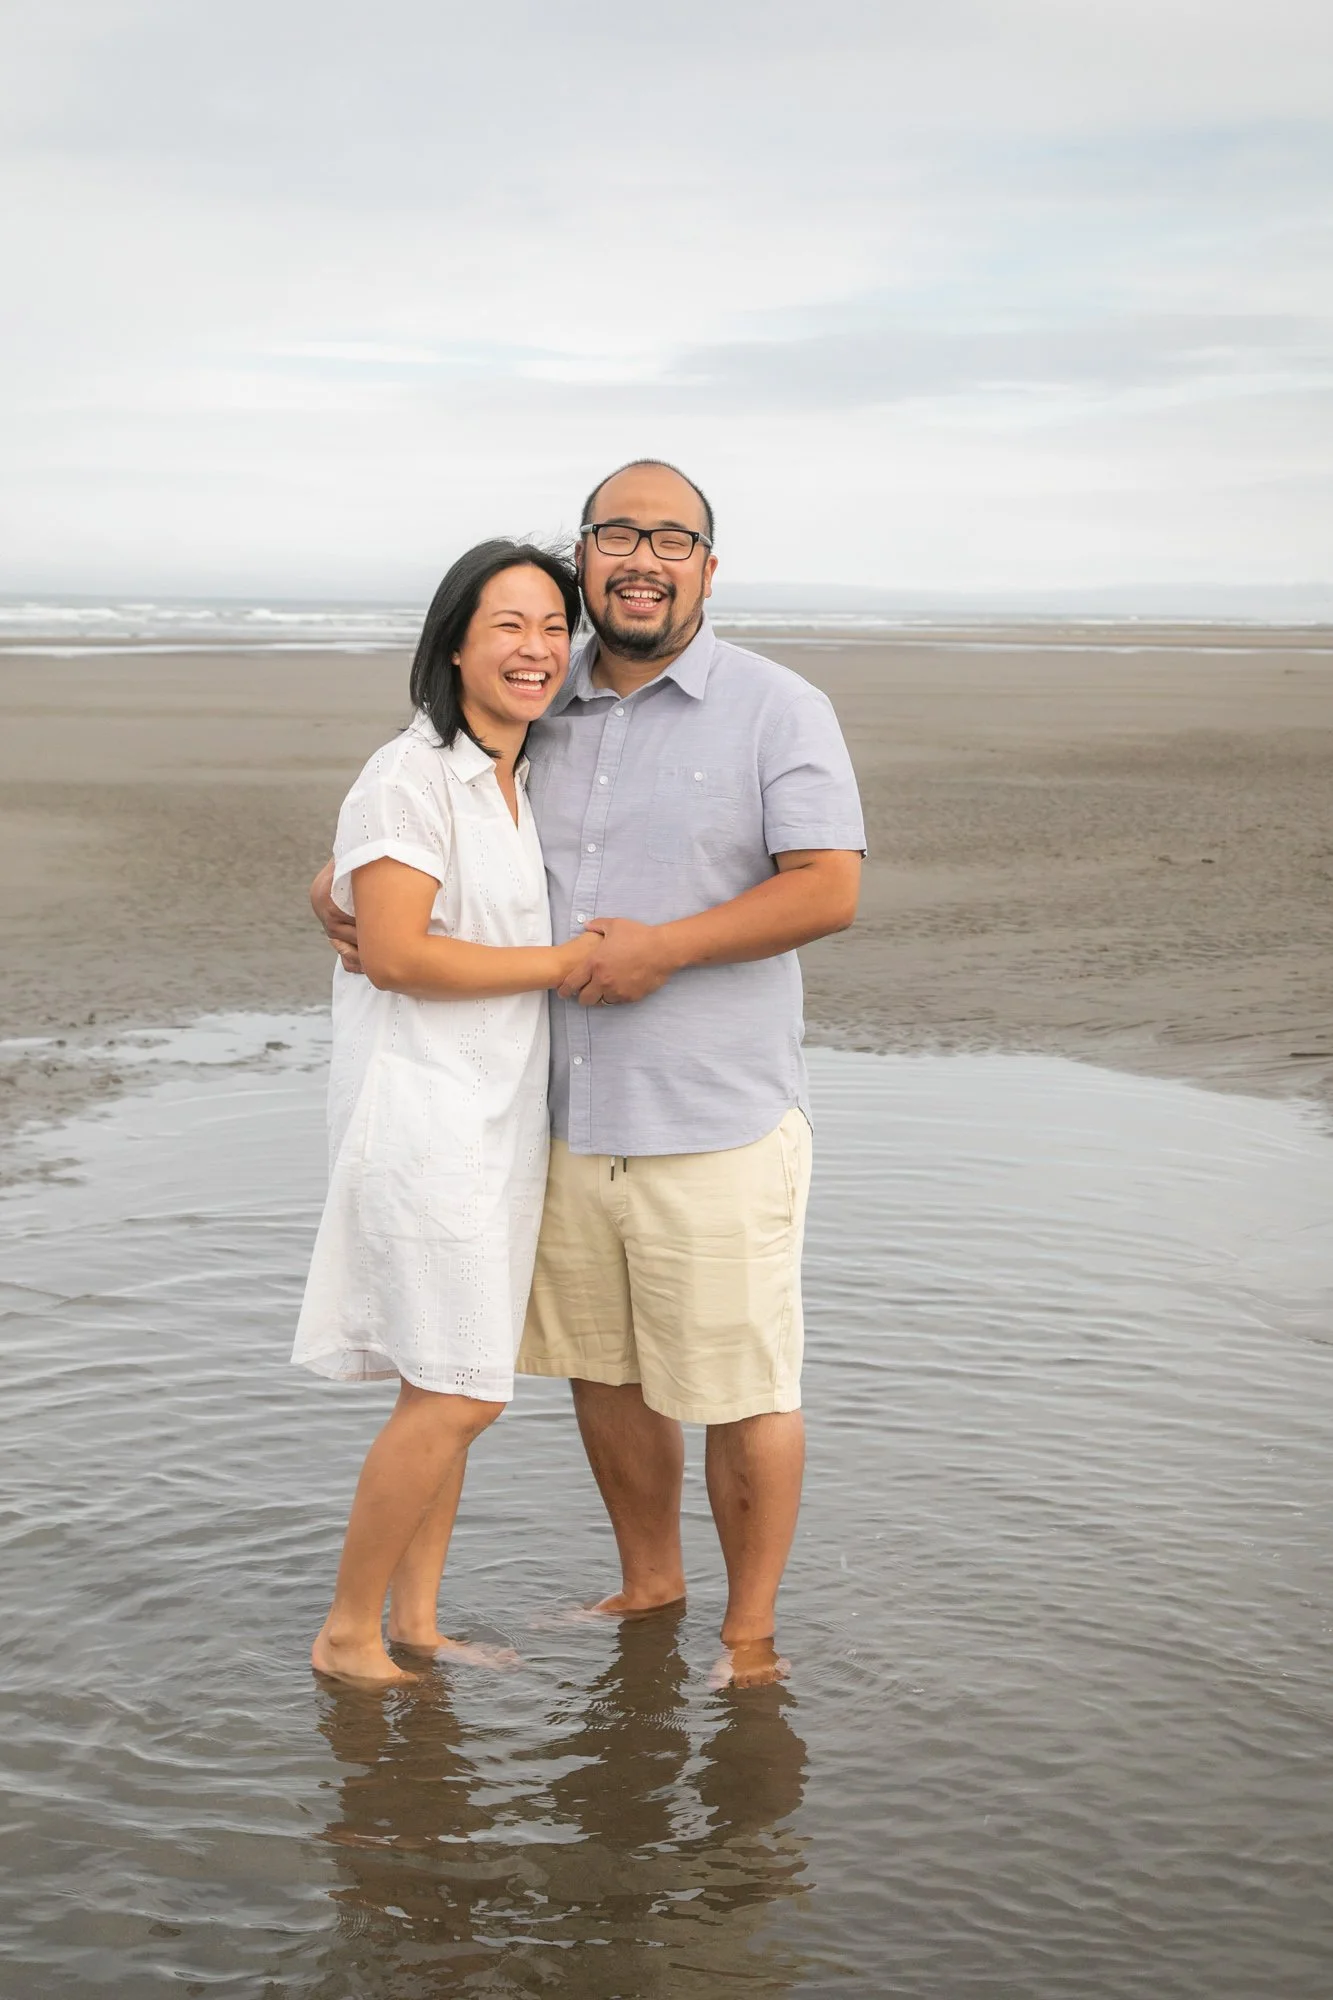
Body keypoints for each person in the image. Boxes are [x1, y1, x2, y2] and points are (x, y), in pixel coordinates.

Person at [316, 462, 865, 1687]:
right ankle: (650, 1579)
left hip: (713, 1113)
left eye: (672, 539)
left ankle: (749, 1636)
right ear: (587, 555)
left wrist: (662, 949)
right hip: (554, 1119)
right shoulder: (534, 695)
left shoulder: (780, 706)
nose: (642, 558)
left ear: (707, 570)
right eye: (617, 535)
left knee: (740, 1381)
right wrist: (327, 893)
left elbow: (829, 886)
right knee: (608, 1373)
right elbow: (413, 824)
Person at [293, 539, 595, 1688]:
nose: (535, 647)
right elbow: (402, 954)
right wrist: (562, 961)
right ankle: (346, 1629)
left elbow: (354, 901)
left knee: (449, 1380)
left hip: (494, 1115)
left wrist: (321, 886)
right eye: (507, 624)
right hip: (423, 1117)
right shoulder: (409, 774)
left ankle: (413, 1620)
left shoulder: (517, 771)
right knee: (465, 1388)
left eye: (550, 626)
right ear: (454, 642)